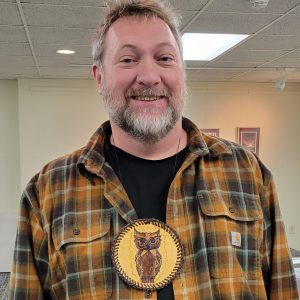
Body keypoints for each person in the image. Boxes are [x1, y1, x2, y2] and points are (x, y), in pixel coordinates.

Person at [9, 0, 299, 299]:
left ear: (182, 71)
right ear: (99, 77)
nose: (149, 76)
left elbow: (283, 289)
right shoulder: (47, 191)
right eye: (127, 60)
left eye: (164, 58)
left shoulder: (246, 172)